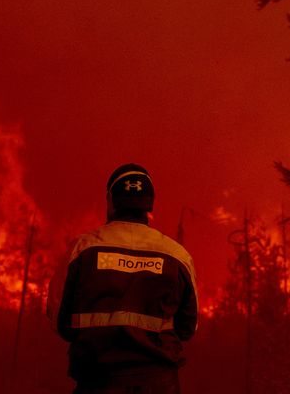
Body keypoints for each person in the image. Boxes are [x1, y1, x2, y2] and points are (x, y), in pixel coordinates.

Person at [48, 163, 198, 394]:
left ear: (110, 201)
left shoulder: (82, 250)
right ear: (150, 203)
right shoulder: (177, 256)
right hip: (159, 384)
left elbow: (60, 321)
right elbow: (187, 328)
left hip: (98, 382)